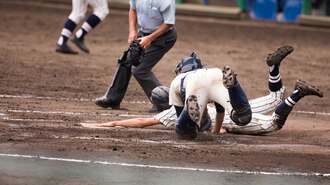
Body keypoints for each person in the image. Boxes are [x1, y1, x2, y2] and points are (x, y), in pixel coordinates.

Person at [82, 46, 324, 136]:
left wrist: (104, 125)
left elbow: (142, 121)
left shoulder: (176, 97)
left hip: (219, 114)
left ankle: (296, 93)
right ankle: (276, 71)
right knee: (275, 99)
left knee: (272, 122)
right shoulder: (211, 77)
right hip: (227, 104)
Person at [95, 0, 177, 112]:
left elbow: (169, 23)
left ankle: (164, 103)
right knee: (126, 60)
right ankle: (112, 98)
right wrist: (132, 31)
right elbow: (133, 10)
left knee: (140, 69)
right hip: (144, 33)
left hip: (164, 37)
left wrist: (150, 38)